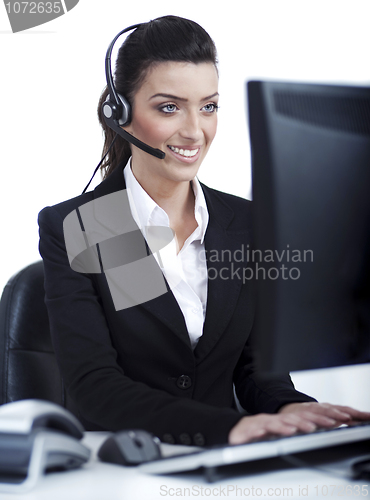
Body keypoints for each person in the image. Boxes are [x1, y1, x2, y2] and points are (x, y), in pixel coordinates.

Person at [38, 15, 370, 447]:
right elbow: (96, 384)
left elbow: (253, 370)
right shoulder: (87, 227)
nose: (195, 131)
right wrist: (226, 427)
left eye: (208, 106)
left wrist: (291, 407)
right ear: (120, 113)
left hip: (223, 467)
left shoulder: (246, 224)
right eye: (169, 107)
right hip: (124, 465)